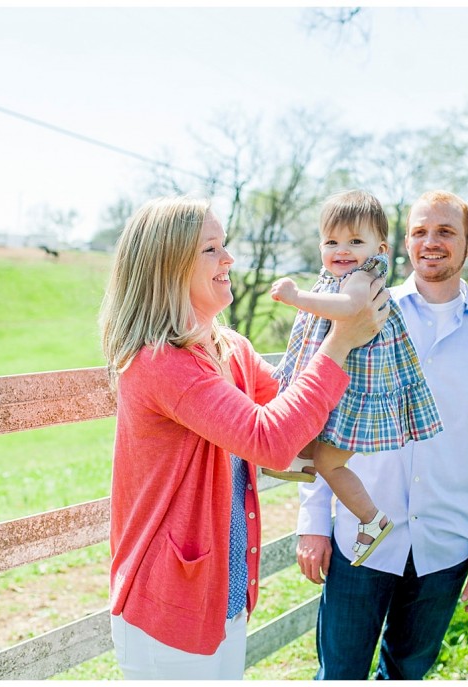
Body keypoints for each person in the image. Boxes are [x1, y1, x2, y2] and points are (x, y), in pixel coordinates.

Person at [98, 196, 389, 680]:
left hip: (223, 591)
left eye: (224, 245)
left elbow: (298, 417)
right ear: (169, 267)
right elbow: (271, 439)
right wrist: (340, 340)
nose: (229, 259)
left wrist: (369, 357)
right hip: (169, 601)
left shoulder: (229, 347)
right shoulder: (162, 362)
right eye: (212, 249)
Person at [295, 190, 468, 680]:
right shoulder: (366, 308)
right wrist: (313, 519)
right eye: (420, 231)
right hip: (363, 536)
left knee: (406, 676)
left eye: (445, 232)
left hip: (447, 541)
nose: (431, 242)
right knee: (339, 675)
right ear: (403, 243)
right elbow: (323, 416)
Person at [263, 190, 442, 567]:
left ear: (379, 248)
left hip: (355, 395)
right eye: (332, 242)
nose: (342, 250)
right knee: (317, 444)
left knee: (330, 462)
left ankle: (371, 518)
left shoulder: (362, 278)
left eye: (355, 241)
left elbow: (348, 308)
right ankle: (300, 463)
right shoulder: (336, 276)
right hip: (336, 386)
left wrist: (297, 297)